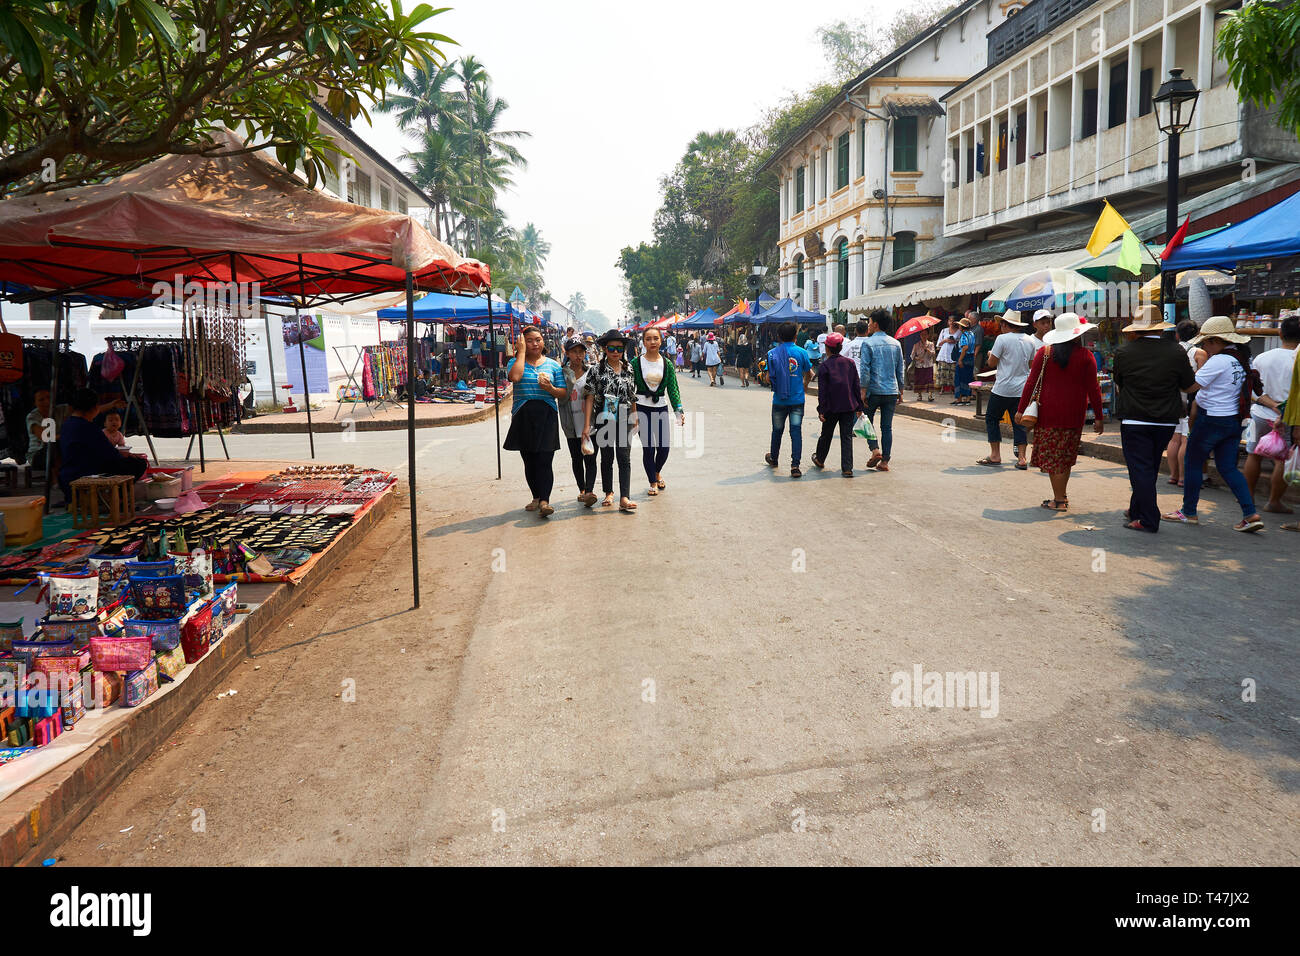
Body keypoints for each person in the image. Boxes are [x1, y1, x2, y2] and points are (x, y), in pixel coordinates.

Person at [1163, 317, 1264, 532]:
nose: (1204, 346)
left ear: (1216, 341)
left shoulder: (1219, 360)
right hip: (1232, 420)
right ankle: (1250, 513)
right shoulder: (1242, 359)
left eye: (1206, 342)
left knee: (1192, 462)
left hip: (1211, 420)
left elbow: (1191, 387)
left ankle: (1188, 511)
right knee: (1228, 468)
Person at [1111, 307, 1196, 532]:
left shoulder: (1124, 352)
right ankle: (1136, 509)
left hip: (1135, 418)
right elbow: (1187, 384)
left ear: (1137, 330)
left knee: (1140, 469)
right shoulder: (1176, 351)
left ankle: (1148, 518)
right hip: (1166, 419)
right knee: (1148, 466)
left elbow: (1120, 383)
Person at [1016, 313, 1105, 512]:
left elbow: (1031, 382)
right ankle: (1061, 496)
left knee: (1054, 458)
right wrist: (1098, 417)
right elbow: (1094, 389)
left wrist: (1021, 409)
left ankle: (1059, 500)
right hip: (1074, 415)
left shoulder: (1045, 353)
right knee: (1065, 457)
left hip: (1048, 414)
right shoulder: (1086, 356)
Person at [504, 325, 566, 518]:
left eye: (538, 339)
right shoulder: (515, 362)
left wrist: (550, 389)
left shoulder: (553, 365)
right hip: (523, 415)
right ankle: (536, 496)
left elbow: (563, 393)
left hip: (547, 414)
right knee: (529, 460)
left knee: (545, 459)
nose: (535, 344)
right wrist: (521, 352)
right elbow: (515, 377)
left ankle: (545, 501)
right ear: (522, 342)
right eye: (529, 340)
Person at [1242, 314, 1298, 514]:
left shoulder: (1263, 357)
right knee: (1282, 459)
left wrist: (1271, 404)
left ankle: (1247, 499)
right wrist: (1280, 409)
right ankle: (1274, 501)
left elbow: (1253, 390)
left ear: (1280, 333)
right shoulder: (1296, 359)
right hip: (1288, 417)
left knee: (1253, 455)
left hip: (1260, 412)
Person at [583, 329, 639, 513]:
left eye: (619, 348)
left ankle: (625, 497)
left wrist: (635, 416)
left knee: (624, 457)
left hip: (624, 417)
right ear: (605, 349)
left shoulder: (629, 368)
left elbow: (632, 395)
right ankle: (609, 492)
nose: (615, 352)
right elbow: (589, 397)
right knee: (607, 458)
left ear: (624, 350)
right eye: (611, 348)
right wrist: (586, 426)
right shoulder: (596, 370)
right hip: (603, 418)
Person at [57, 388, 146, 502]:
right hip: (86, 474)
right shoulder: (89, 428)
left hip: (66, 477)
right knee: (138, 464)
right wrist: (127, 455)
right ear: (94, 408)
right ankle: (109, 497)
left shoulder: (67, 425)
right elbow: (111, 455)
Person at [977, 311, 1036, 469]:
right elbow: (1031, 365)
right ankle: (1022, 458)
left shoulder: (1001, 339)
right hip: (1022, 389)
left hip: (1003, 388)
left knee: (991, 418)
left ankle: (995, 454)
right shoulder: (1029, 340)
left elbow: (991, 363)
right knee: (1019, 423)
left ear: (1004, 324)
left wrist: (991, 354)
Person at [631, 327, 685, 497]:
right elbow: (629, 388)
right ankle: (652, 482)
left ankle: (657, 471)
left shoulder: (667, 364)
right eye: (648, 339)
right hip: (641, 409)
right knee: (648, 449)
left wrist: (678, 411)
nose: (652, 342)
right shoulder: (635, 363)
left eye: (655, 338)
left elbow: (673, 389)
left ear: (661, 340)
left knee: (664, 448)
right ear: (643, 342)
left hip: (660, 407)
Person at [858, 310, 906, 471]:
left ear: (876, 324)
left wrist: (862, 391)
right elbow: (900, 369)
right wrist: (901, 389)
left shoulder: (868, 343)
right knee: (887, 427)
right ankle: (885, 461)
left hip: (873, 390)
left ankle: (875, 449)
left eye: (870, 322)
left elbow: (864, 370)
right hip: (891, 391)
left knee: (865, 421)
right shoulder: (896, 343)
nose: (868, 325)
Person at [811, 332, 864, 477]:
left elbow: (823, 391)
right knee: (846, 437)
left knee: (826, 434)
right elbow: (856, 386)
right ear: (840, 347)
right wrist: (859, 406)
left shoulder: (825, 366)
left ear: (827, 348)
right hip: (848, 406)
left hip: (831, 407)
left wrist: (821, 409)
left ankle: (820, 459)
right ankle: (847, 468)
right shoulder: (850, 363)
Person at [765, 321, 812, 478]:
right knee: (796, 431)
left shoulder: (772, 354)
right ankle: (795, 466)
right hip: (797, 399)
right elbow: (810, 373)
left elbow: (766, 378)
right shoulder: (802, 353)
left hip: (779, 400)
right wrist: (804, 385)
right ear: (796, 336)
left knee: (777, 431)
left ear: (778, 336)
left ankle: (774, 458)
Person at [1164, 319, 1206, 487]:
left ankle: (1173, 475)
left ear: (1177, 334)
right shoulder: (1199, 353)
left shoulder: (1171, 350)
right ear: (1197, 335)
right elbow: (1203, 378)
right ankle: (1183, 477)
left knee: (1174, 440)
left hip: (1174, 399)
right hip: (1191, 400)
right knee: (1186, 440)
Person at [557, 337, 598, 507]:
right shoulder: (561, 373)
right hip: (570, 422)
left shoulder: (591, 372)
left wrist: (588, 425)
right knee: (576, 458)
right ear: (567, 353)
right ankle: (582, 489)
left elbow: (592, 396)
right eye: (574, 351)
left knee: (591, 457)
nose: (578, 355)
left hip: (589, 421)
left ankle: (589, 491)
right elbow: (560, 395)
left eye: (581, 351)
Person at [952, 317, 978, 405]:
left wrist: (960, 360)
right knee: (968, 378)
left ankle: (959, 399)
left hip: (963, 357)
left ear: (962, 327)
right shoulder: (972, 334)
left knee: (959, 378)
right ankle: (967, 398)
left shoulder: (964, 335)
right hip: (970, 358)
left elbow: (965, 347)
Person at [911, 328, 936, 402]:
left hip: (928, 365)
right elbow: (912, 356)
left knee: (929, 380)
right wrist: (918, 358)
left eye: (925, 334)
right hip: (919, 365)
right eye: (922, 334)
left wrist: (927, 350)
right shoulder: (916, 345)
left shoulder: (931, 344)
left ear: (928, 335)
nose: (923, 336)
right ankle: (919, 395)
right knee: (919, 380)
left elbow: (933, 354)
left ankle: (930, 395)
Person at [935, 316, 959, 395]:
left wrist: (954, 341)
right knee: (943, 372)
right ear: (948, 322)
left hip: (953, 354)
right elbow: (938, 344)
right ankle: (942, 389)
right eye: (950, 321)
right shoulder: (944, 331)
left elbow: (961, 343)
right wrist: (945, 340)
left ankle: (952, 389)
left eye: (953, 321)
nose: (951, 323)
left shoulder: (959, 332)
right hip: (944, 353)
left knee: (953, 372)